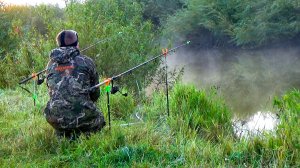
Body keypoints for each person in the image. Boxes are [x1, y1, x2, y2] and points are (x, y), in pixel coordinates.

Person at [44, 30, 106, 139]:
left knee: (63, 123)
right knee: (100, 120)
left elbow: (50, 91)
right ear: (76, 44)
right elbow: (95, 94)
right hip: (83, 115)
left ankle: (64, 133)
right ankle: (84, 134)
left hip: (55, 118)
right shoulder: (86, 61)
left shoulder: (50, 64)